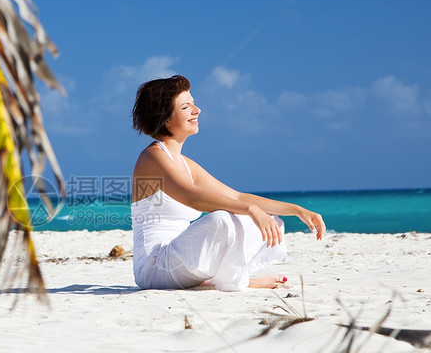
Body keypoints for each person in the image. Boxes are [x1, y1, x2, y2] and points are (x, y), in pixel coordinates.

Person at [131, 75, 325, 291]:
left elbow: (237, 197)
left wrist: (298, 210)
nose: (197, 110)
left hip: (181, 261)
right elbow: (192, 198)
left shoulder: (186, 165)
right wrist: (251, 210)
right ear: (165, 118)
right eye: (186, 107)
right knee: (223, 219)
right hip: (155, 267)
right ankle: (240, 281)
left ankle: (230, 277)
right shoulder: (152, 157)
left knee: (270, 218)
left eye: (193, 103)